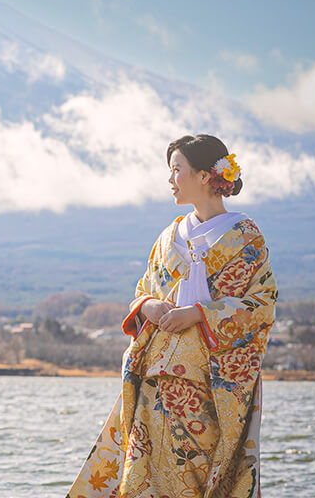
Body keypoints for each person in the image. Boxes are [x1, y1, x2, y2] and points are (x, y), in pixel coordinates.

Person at [68, 134, 277, 498]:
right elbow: (144, 289)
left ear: (204, 176)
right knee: (144, 477)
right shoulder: (168, 236)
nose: (170, 180)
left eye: (176, 170)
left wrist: (198, 314)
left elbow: (261, 304)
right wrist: (148, 306)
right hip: (154, 378)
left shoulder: (246, 238)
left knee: (194, 479)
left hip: (207, 383)